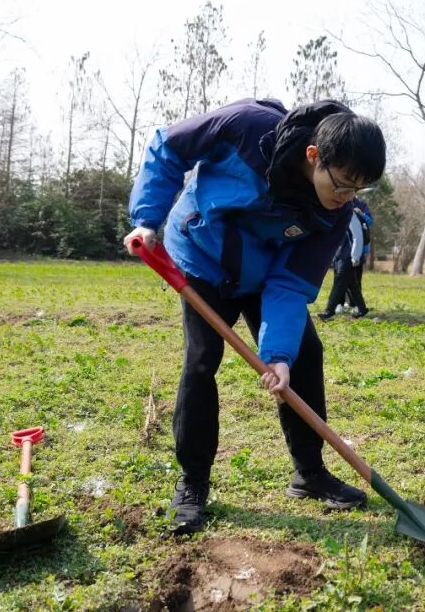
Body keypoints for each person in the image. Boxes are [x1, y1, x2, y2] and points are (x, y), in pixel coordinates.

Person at [124, 98, 386, 533]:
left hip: (264, 275)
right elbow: (167, 147)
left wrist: (278, 354)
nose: (346, 198)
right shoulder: (248, 128)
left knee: (303, 353)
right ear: (313, 156)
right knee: (202, 361)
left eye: (358, 190)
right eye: (341, 184)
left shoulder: (337, 215)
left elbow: (290, 284)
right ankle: (193, 484)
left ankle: (309, 473)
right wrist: (147, 218)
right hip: (202, 259)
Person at [318, 209, 367, 320]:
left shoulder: (350, 214)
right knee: (351, 284)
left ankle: (329, 311)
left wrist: (355, 256)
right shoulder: (335, 213)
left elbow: (357, 236)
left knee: (339, 282)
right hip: (339, 255)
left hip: (347, 256)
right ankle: (362, 308)